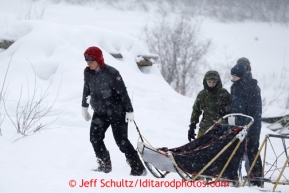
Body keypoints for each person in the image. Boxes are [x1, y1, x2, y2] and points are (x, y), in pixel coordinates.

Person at [81, 46, 146, 176]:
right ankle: (104, 165)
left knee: (121, 141)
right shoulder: (87, 72)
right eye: (86, 60)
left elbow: (123, 93)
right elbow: (86, 89)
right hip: (100, 111)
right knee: (95, 138)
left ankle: (137, 167)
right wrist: (84, 106)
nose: (88, 63)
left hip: (117, 112)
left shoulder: (112, 73)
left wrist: (129, 110)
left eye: (90, 60)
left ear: (98, 59)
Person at [230, 60, 262, 186]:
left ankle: (256, 179)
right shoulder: (235, 87)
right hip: (238, 125)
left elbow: (254, 109)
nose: (233, 79)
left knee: (252, 151)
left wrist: (248, 124)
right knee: (236, 150)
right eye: (232, 77)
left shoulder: (252, 87)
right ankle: (234, 177)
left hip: (251, 126)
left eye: (235, 77)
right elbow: (235, 105)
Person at [188, 70, 231, 141]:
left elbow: (232, 107)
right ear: (205, 81)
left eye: (214, 82)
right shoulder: (202, 95)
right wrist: (192, 126)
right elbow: (196, 110)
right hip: (205, 128)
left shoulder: (224, 94)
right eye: (209, 82)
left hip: (221, 129)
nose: (211, 84)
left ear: (218, 82)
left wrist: (226, 109)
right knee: (199, 147)